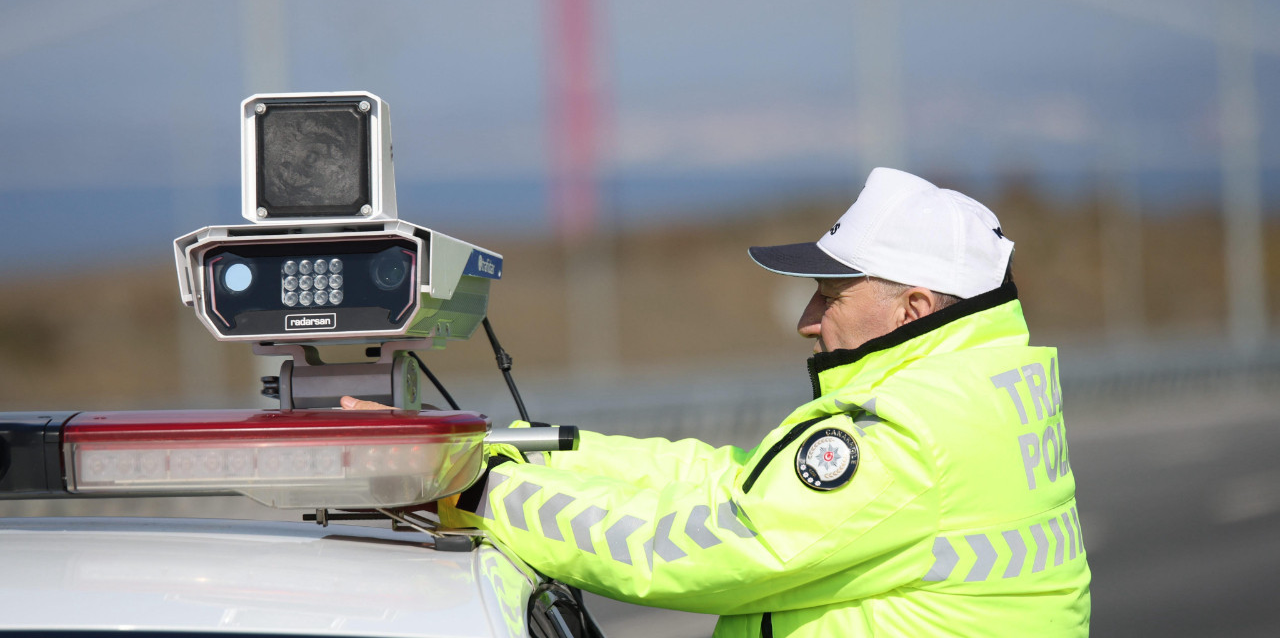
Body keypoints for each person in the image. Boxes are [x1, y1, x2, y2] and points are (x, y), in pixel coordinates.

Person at [344, 167, 1091, 637]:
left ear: (913, 308)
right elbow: (729, 483)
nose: (807, 319)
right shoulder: (976, 392)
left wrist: (478, 492)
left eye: (830, 296)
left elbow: (704, 547)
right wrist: (529, 450)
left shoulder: (904, 434)